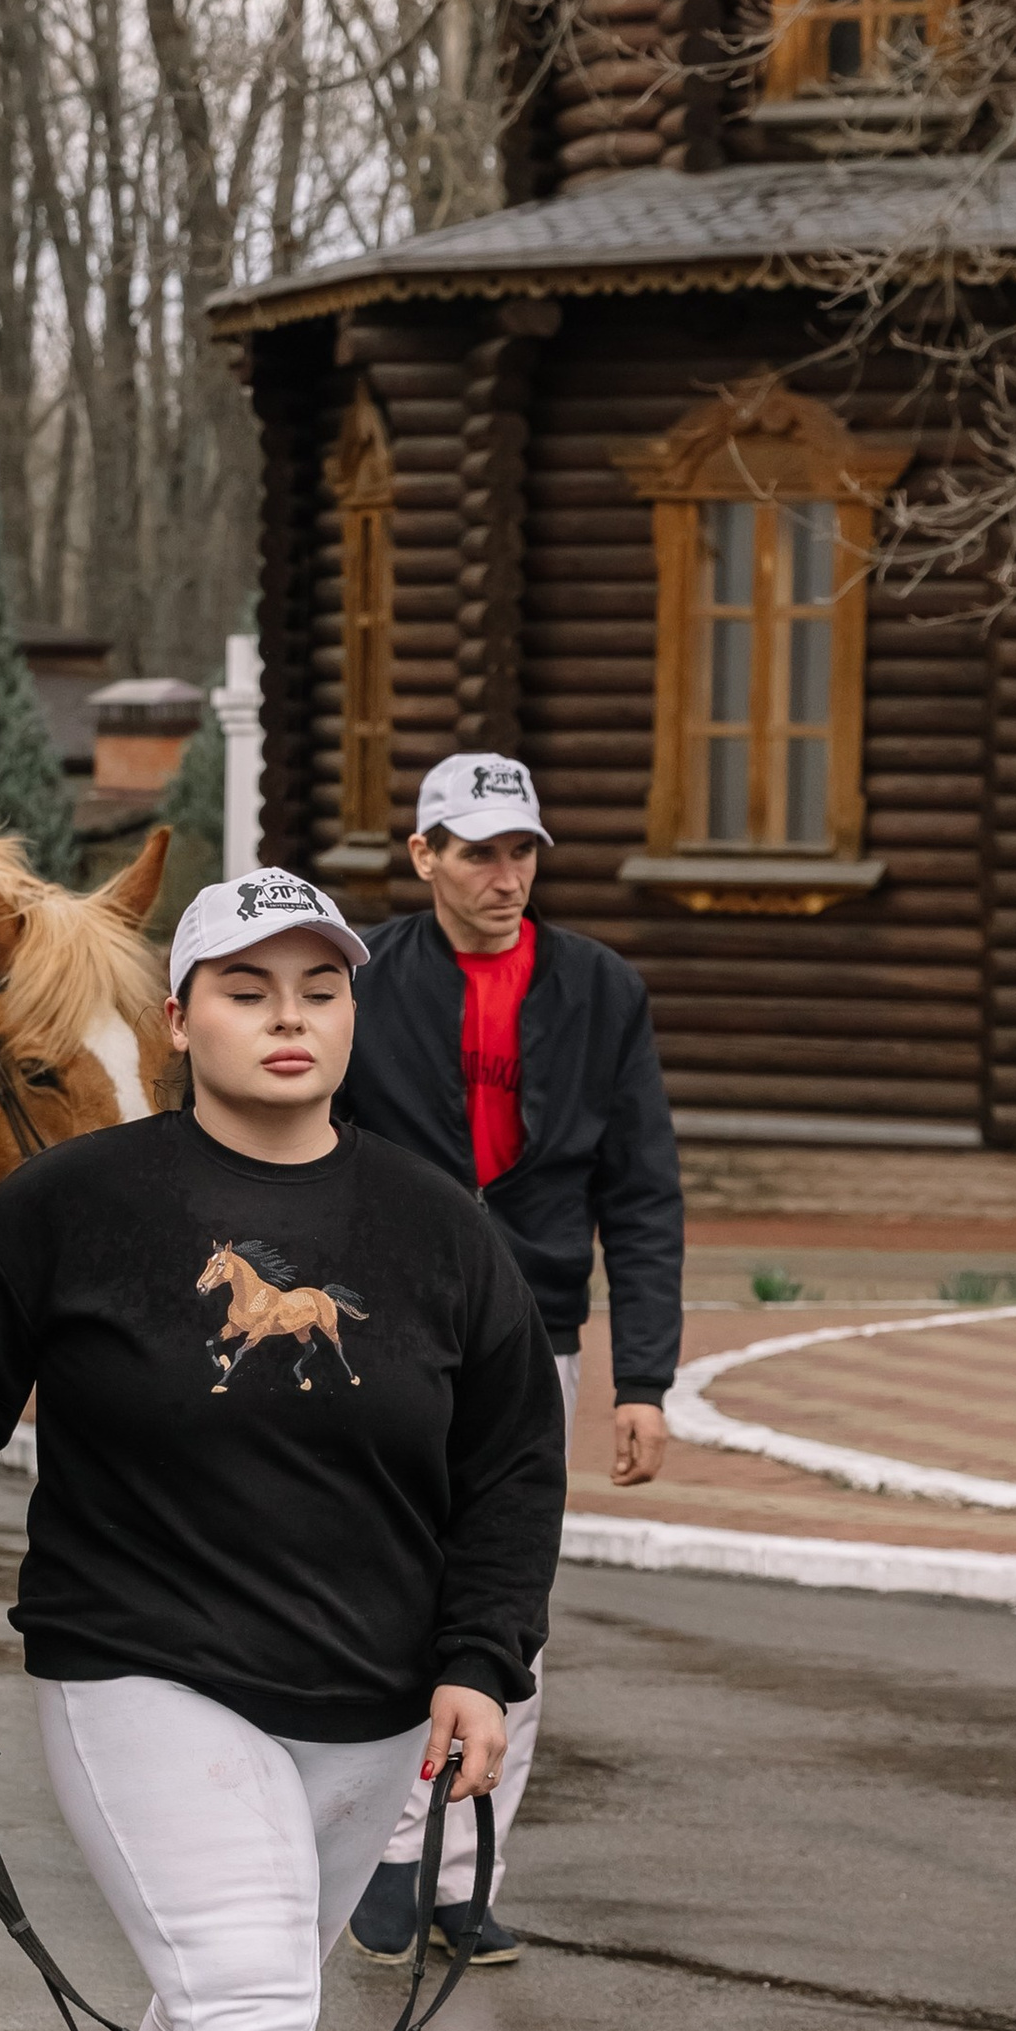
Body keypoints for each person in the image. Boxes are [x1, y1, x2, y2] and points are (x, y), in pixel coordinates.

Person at [0, 866, 564, 2031]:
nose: (290, 1019)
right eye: (251, 989)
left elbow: (508, 1470)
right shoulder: (74, 1208)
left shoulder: (439, 1228)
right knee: (248, 1982)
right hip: (141, 1664)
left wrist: (481, 1666)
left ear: (355, 1016)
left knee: (236, 1989)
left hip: (368, 1699)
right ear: (180, 1016)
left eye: (320, 991)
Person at [336, 754, 683, 1970]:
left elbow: (641, 1193)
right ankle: (382, 1853)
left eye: (521, 851)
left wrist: (644, 1378)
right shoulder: (360, 982)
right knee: (388, 1588)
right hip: (386, 1327)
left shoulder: (599, 991)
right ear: (423, 854)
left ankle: (463, 1874)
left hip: (535, 1334)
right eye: (477, 851)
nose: (503, 875)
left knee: (507, 1603)